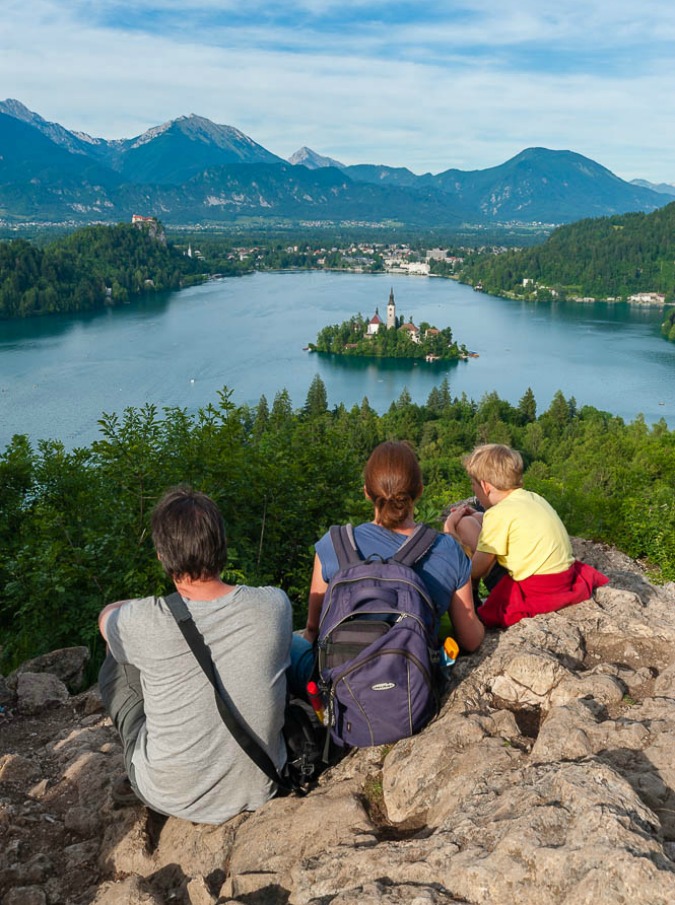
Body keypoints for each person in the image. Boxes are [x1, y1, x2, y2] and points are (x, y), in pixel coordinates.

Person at [98, 486, 307, 824]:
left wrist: (132, 609)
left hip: (169, 794)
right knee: (289, 647)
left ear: (162, 557)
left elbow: (105, 619)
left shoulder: (144, 621)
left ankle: (151, 754)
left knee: (116, 656)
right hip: (260, 783)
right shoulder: (273, 605)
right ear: (222, 546)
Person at [303, 440, 485, 653]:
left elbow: (313, 628)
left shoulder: (333, 544)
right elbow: (470, 639)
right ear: (419, 491)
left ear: (366, 492)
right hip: (412, 680)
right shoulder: (447, 549)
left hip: (343, 678)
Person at [443, 443, 609, 628]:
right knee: (470, 521)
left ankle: (472, 609)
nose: (473, 489)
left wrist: (450, 527)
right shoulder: (532, 497)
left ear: (485, 486)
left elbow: (477, 569)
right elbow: (505, 523)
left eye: (473, 485)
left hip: (536, 589)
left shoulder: (498, 515)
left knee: (464, 526)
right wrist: (475, 515)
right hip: (564, 578)